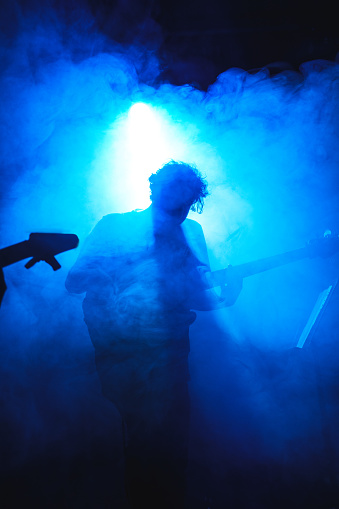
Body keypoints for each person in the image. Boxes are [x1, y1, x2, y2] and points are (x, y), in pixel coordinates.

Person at [65, 161, 242, 508]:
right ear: (153, 190)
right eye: (172, 200)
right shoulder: (115, 226)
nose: (179, 211)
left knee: (172, 453)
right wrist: (127, 270)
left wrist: (226, 297)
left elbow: (195, 295)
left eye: (186, 203)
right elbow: (74, 281)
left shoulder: (192, 232)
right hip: (121, 355)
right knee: (136, 449)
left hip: (172, 357)